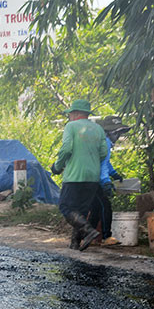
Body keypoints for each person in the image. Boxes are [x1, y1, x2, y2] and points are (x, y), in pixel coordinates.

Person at [50, 100, 107, 251]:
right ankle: (75, 243)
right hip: (93, 175)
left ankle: (88, 230)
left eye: (70, 114)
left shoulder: (71, 126)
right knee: (81, 210)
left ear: (75, 114)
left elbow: (66, 149)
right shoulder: (98, 129)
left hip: (75, 175)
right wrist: (91, 161)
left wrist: (57, 166)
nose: (69, 116)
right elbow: (103, 153)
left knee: (65, 206)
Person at [89, 116, 130, 247]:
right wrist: (106, 181)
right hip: (94, 179)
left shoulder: (102, 141)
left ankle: (88, 236)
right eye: (116, 133)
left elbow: (105, 162)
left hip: (90, 178)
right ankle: (106, 236)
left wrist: (114, 174)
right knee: (105, 207)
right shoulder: (105, 142)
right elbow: (101, 165)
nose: (118, 136)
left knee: (96, 208)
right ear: (109, 132)